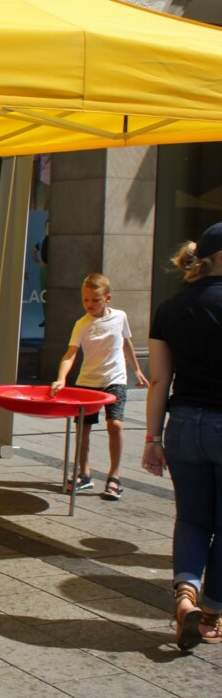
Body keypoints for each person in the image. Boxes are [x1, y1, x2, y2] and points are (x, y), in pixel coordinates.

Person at [142, 221, 222, 651]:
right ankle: (210, 615)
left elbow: (159, 380)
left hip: (184, 424)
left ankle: (186, 596)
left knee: (191, 518)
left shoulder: (170, 307)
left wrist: (152, 439)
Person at [52, 272, 149, 498]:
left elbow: (126, 343)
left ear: (108, 298)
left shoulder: (120, 317)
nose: (89, 304)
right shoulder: (81, 324)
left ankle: (115, 476)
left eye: (95, 300)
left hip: (115, 380)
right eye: (85, 299)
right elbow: (70, 354)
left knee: (115, 424)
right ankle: (84, 473)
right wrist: (61, 378)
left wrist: (137, 370)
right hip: (87, 382)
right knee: (83, 429)